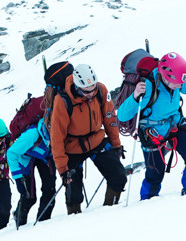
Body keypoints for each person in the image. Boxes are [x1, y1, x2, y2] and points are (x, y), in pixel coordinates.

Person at [121, 51, 186, 197]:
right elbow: (122, 115)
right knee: (155, 173)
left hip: (175, 125)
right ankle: (148, 202)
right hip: (152, 133)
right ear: (166, 77)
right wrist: (134, 97)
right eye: (177, 83)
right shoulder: (147, 88)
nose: (180, 86)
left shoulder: (177, 80)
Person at [49, 62, 128, 213]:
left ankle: (111, 212)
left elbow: (110, 119)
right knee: (74, 194)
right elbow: (57, 137)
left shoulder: (101, 90)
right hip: (72, 146)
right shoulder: (63, 100)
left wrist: (116, 145)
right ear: (77, 87)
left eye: (93, 89)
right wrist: (63, 169)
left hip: (96, 140)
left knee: (119, 177)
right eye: (86, 92)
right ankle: (75, 217)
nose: (91, 94)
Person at [8, 119, 57, 227]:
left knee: (50, 191)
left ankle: (43, 224)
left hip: (45, 157)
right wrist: (18, 178)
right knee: (29, 197)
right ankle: (20, 223)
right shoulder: (32, 134)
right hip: (26, 159)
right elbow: (11, 153)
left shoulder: (59, 131)